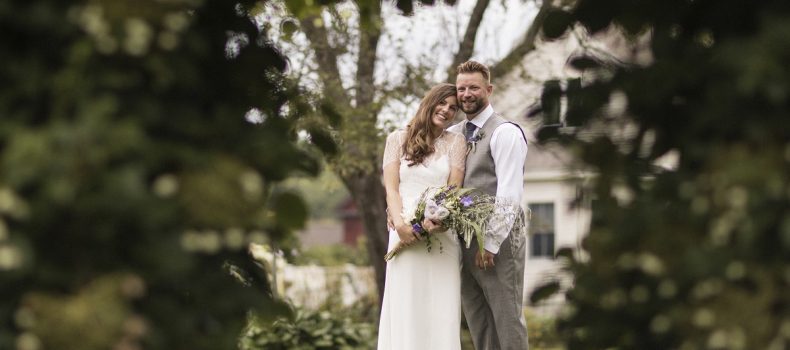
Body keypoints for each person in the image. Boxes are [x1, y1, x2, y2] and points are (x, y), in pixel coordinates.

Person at [377, 83, 467, 349]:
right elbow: (391, 189)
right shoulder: (396, 139)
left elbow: (453, 190)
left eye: (453, 108)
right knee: (406, 305)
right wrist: (402, 225)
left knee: (440, 310)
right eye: (443, 103)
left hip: (441, 236)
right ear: (430, 102)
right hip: (403, 232)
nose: (447, 111)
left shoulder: (456, 143)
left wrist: (434, 222)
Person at [447, 60, 529, 350]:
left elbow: (509, 193)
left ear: (489, 90)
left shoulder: (505, 132)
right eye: (461, 88)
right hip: (463, 241)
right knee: (479, 323)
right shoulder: (453, 133)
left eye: (473, 87)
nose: (466, 94)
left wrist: (490, 244)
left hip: (497, 243)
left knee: (507, 322)